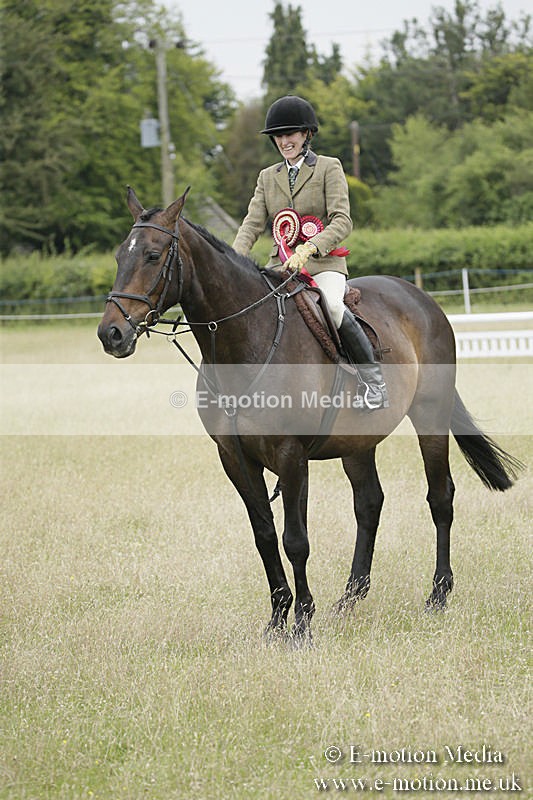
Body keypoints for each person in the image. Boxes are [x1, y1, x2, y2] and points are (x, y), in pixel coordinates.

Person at [232, 95, 389, 410]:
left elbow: (342, 220)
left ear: (306, 134)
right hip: (280, 267)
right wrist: (234, 259)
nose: (284, 141)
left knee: (332, 306)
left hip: (324, 264)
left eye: (290, 134)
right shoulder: (267, 177)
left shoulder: (329, 167)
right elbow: (251, 225)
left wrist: (310, 248)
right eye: (279, 136)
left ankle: (373, 383)